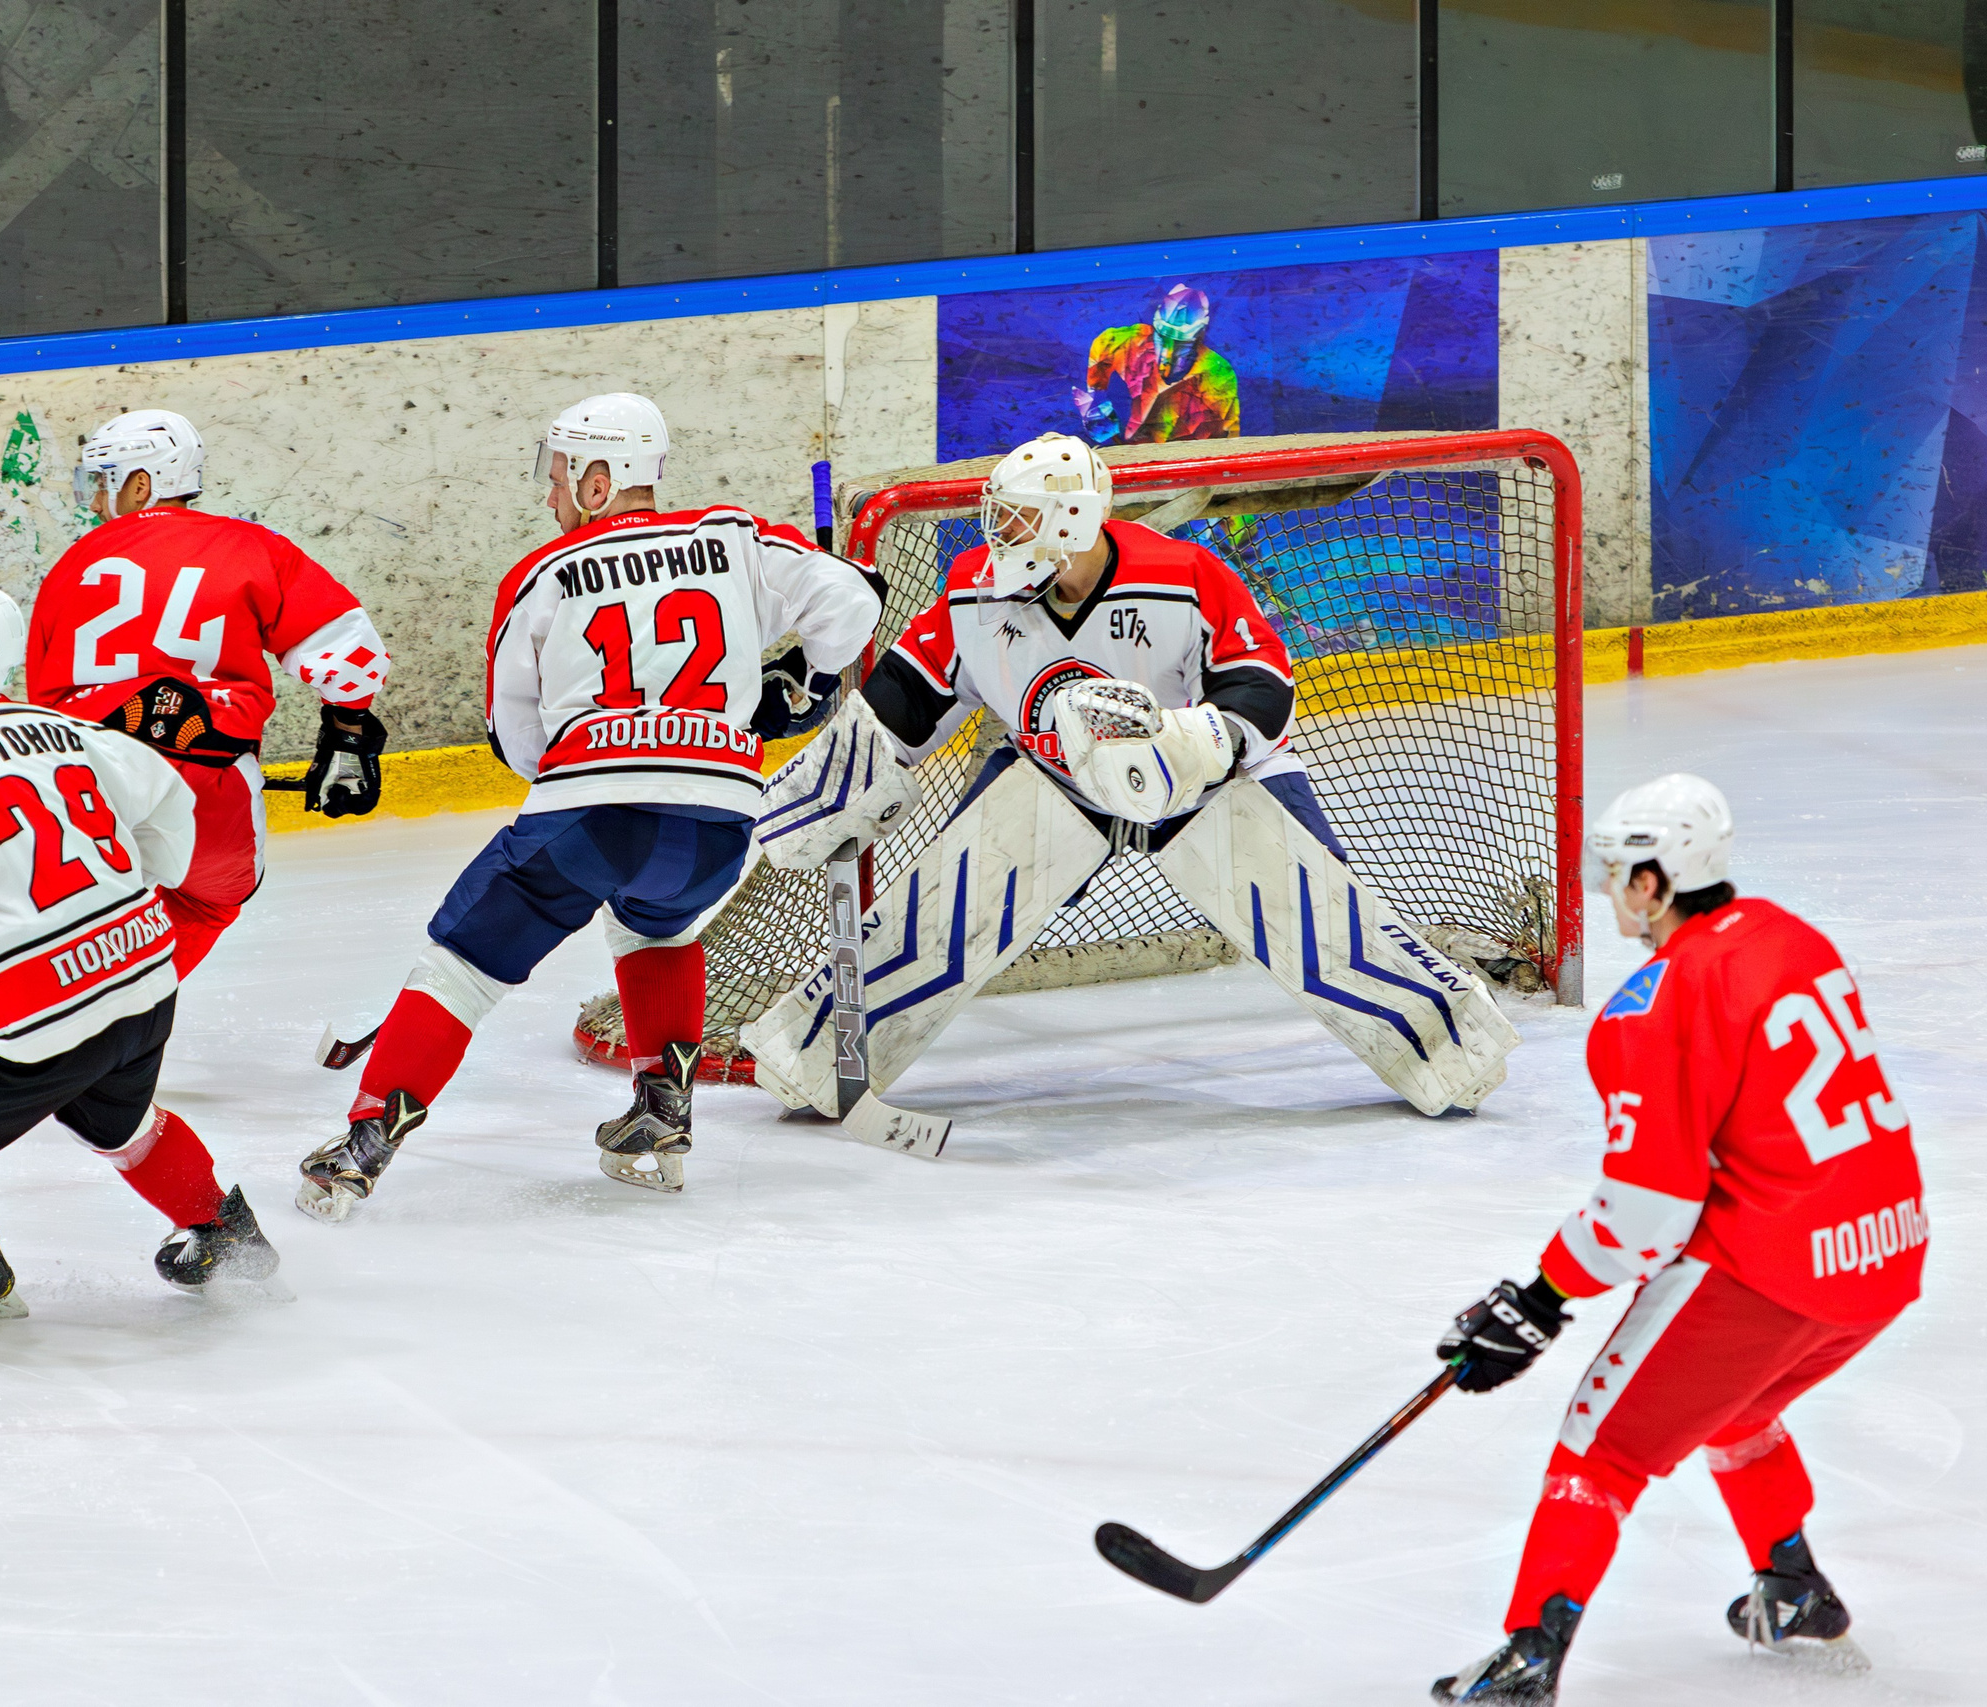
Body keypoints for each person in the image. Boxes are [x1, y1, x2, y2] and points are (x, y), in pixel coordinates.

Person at [748, 431, 1514, 1121]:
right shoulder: (976, 589)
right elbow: (908, 695)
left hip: (1204, 778)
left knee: (1323, 918)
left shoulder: (1183, 576)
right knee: (947, 905)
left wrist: (1195, 741)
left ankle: (1452, 1048)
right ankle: (815, 1052)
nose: (998, 532)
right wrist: (846, 772)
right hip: (1055, 775)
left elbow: (1262, 685)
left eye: (1018, 517)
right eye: (999, 515)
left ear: (1072, 522)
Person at [294, 392, 880, 1220]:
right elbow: (853, 598)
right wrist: (808, 680)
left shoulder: (541, 573)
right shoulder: (735, 536)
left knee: (462, 962)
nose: (551, 494)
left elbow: (516, 738)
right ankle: (661, 1111)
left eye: (561, 474)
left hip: (590, 812)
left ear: (600, 481)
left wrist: (587, 773)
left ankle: (363, 1144)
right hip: (718, 824)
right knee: (658, 924)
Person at [1429, 774, 1925, 1702]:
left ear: (1654, 881)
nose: (1607, 888)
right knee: (1726, 1404)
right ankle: (1792, 1584)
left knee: (1601, 1448)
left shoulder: (1656, 1002)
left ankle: (1529, 1657)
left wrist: (1541, 1297)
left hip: (1774, 1267)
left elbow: (1648, 1211)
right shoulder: (1791, 934)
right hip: (1885, 1254)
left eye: (1619, 872)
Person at [0, 581, 279, 1318]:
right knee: (113, 1110)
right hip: (146, 979)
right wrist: (124, 889)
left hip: (37, 1016)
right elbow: (172, 804)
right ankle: (226, 1234)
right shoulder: (76, 730)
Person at [24, 409, 392, 977]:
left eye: (101, 483)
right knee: (207, 901)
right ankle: (134, 1005)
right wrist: (347, 734)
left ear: (140, 484)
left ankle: (53, 1011)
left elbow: (43, 707)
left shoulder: (71, 566)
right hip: (210, 788)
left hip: (89, 788)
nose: (94, 503)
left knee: (76, 931)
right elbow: (351, 659)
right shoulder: (251, 546)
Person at [1076, 284, 1239, 445]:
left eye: (1180, 344)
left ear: (1198, 338)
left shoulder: (1217, 373)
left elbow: (1228, 440)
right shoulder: (1126, 341)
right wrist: (1096, 396)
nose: (1168, 353)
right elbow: (1103, 345)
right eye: (1162, 338)